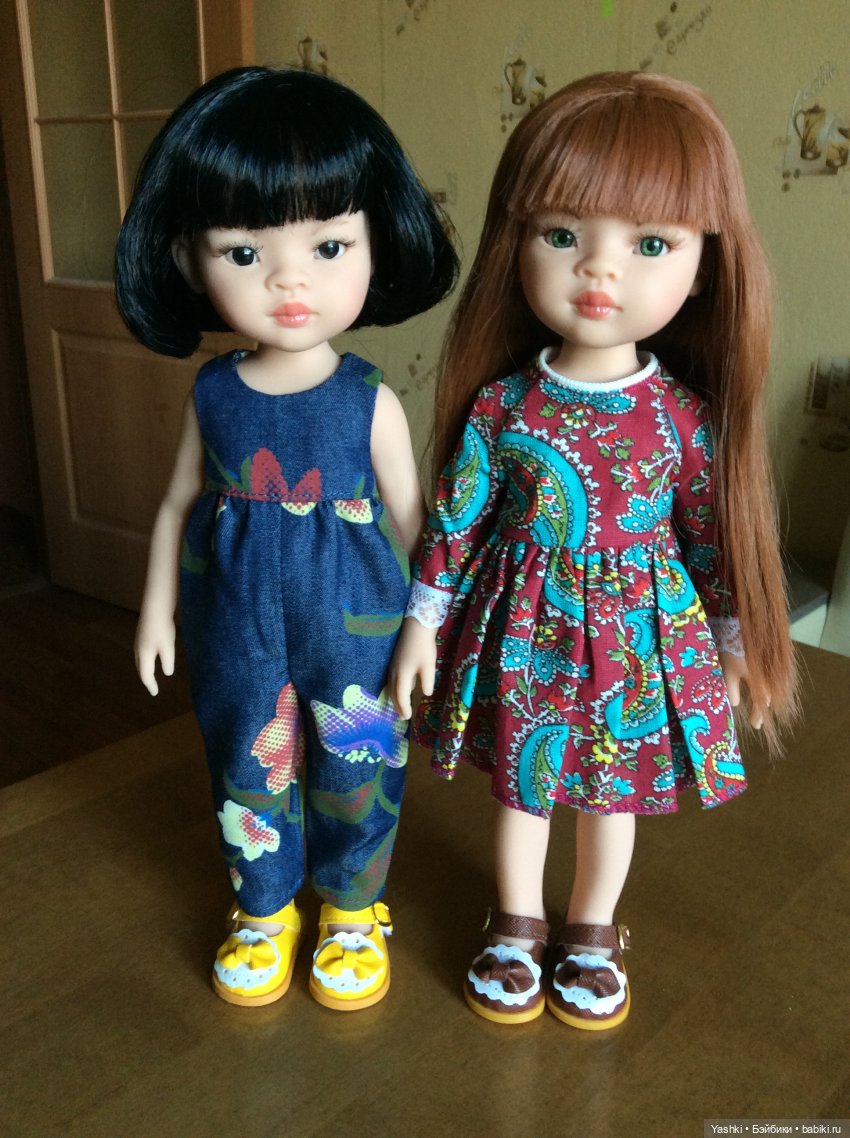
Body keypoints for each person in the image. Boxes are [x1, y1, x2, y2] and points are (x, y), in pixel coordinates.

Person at [390, 70, 797, 1029]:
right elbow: (457, 520)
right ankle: (516, 924)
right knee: (525, 791)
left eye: (651, 243)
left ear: (707, 264)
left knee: (612, 798)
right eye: (562, 234)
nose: (599, 272)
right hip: (522, 633)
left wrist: (734, 639)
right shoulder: (505, 406)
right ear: (516, 243)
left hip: (636, 643)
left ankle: (592, 930)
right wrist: (420, 624)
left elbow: (709, 539)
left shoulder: (684, 420)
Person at [115, 66, 457, 1010]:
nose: (289, 279)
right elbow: (177, 504)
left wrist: (431, 625)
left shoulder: (368, 400)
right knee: (245, 758)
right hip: (233, 619)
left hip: (359, 621)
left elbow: (418, 521)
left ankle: (352, 907)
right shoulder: (214, 394)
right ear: (191, 259)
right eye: (243, 252)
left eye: (329, 244)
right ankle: (264, 905)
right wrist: (156, 611)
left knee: (361, 759)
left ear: (377, 243)